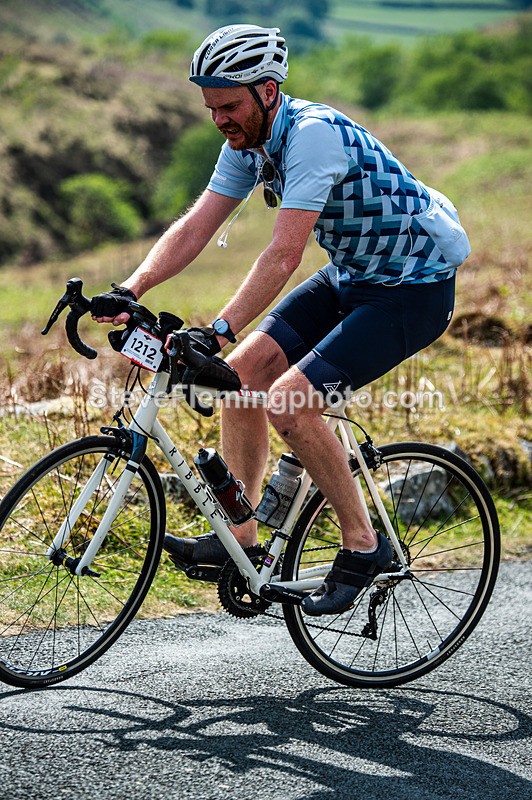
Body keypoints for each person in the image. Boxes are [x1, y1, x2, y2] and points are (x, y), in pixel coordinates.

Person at [91, 24, 470, 616]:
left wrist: (218, 330)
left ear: (268, 91)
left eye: (230, 104)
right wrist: (130, 287)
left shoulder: (313, 138)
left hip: (412, 293)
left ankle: (363, 545)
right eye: (211, 106)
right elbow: (197, 226)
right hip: (353, 275)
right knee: (239, 383)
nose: (219, 118)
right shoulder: (249, 142)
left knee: (290, 401)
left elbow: (283, 255)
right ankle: (238, 539)